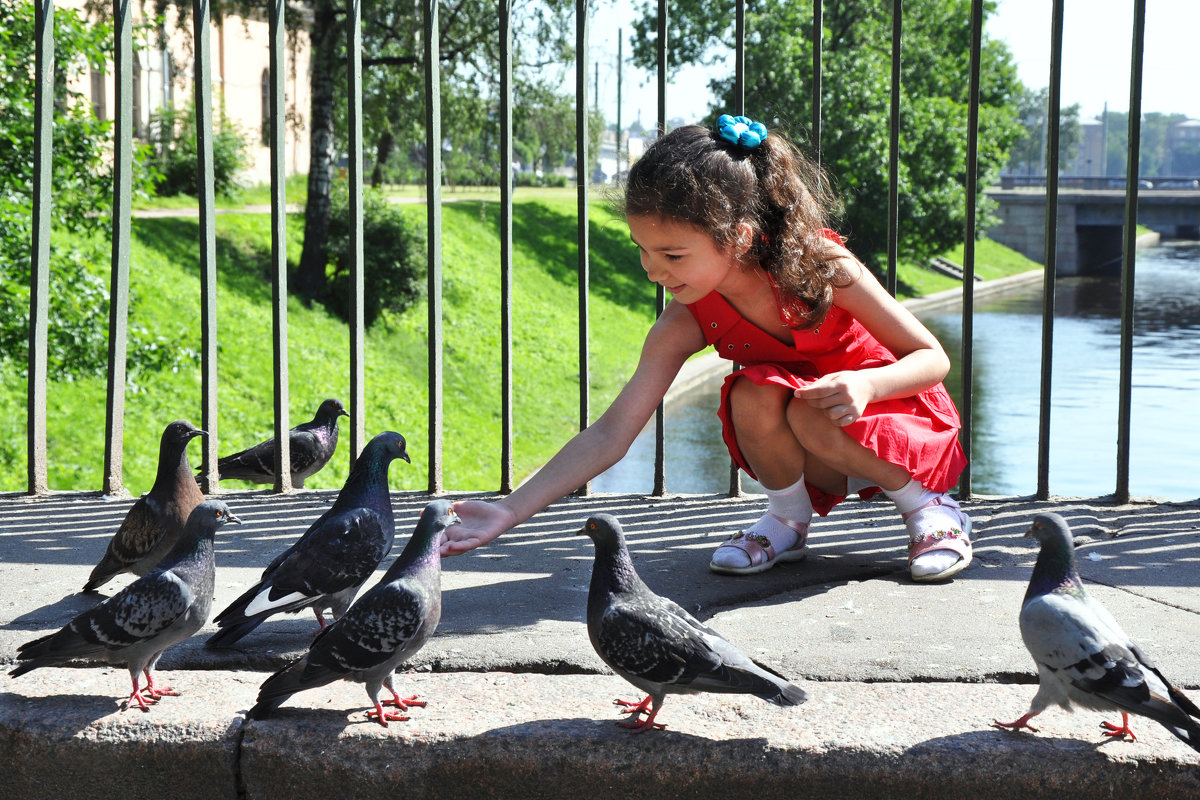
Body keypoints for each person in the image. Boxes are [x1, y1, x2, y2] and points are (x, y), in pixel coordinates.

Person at [443, 114, 971, 583]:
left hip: (897, 423)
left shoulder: (822, 266)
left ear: (739, 238)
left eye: (671, 253)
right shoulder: (686, 320)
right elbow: (611, 432)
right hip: (817, 435)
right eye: (643, 251)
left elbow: (932, 358)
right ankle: (786, 520)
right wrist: (510, 510)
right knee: (754, 392)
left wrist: (866, 383)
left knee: (809, 412)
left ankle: (929, 509)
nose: (653, 270)